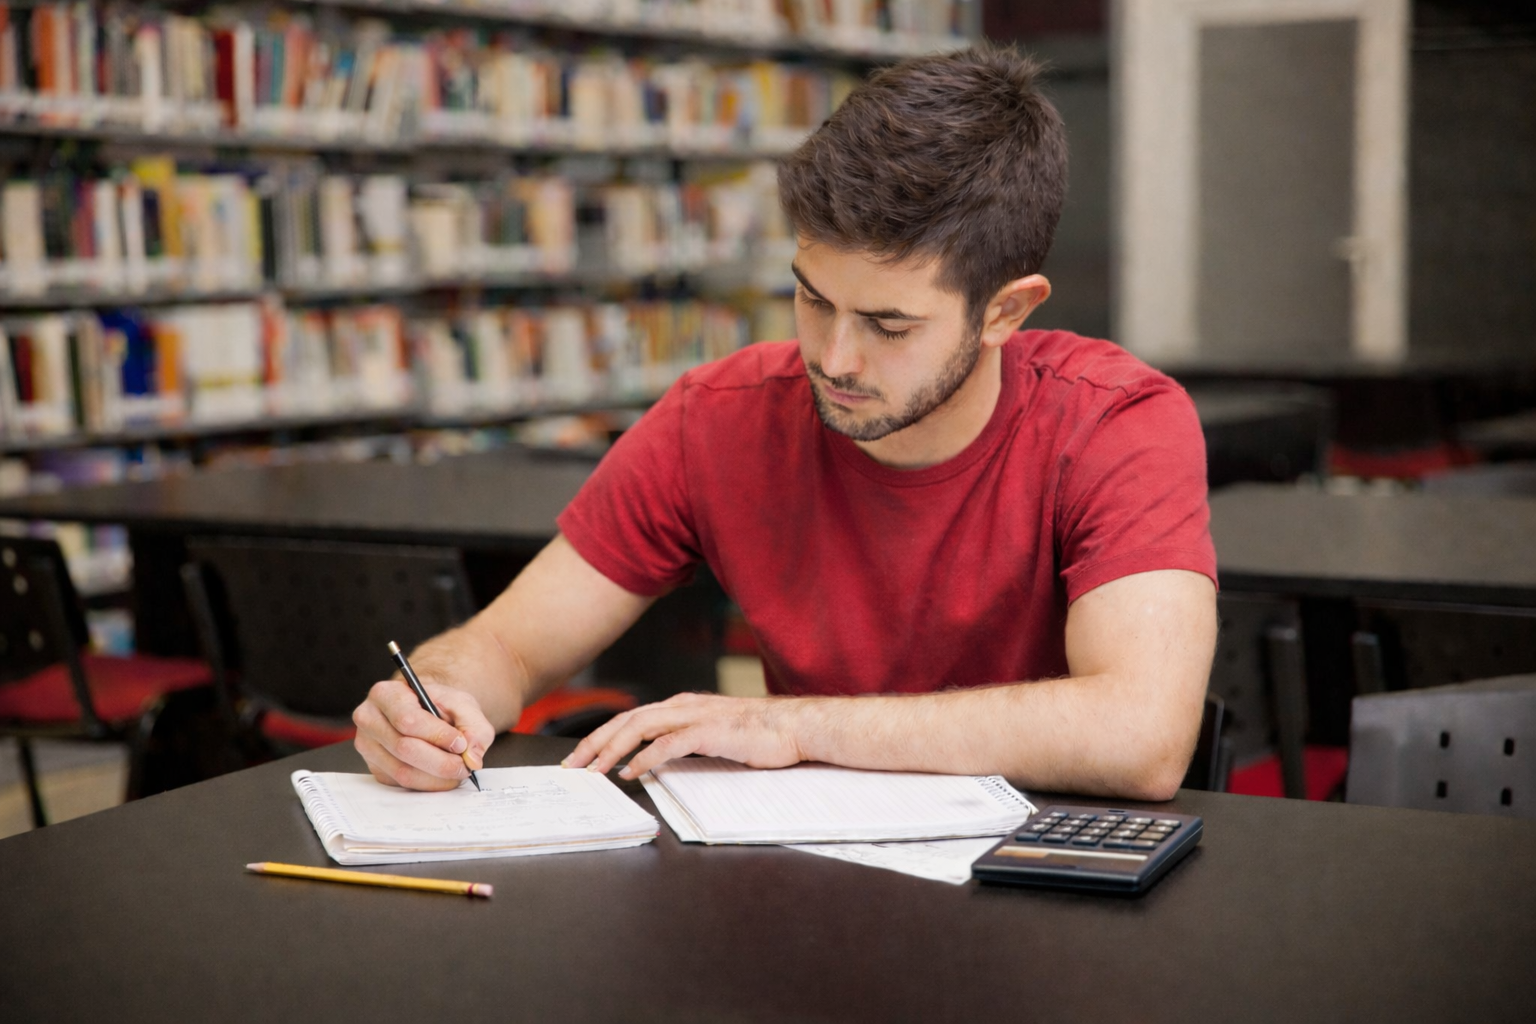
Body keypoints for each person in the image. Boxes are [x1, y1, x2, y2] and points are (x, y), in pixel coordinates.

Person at [352, 45, 1219, 801]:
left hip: (1042, 900)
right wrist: (434, 697)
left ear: (1004, 312)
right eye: (812, 299)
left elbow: (1142, 736)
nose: (835, 357)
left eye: (888, 325)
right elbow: (505, 646)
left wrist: (796, 727)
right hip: (800, 889)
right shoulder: (718, 419)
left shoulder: (1117, 423)